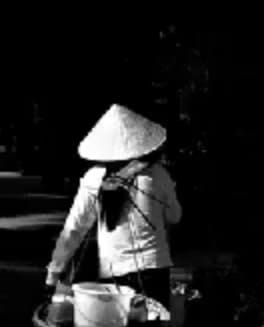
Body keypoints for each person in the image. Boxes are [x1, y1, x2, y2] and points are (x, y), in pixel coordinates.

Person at [44, 104, 182, 307]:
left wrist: (53, 273)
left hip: (113, 275)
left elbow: (74, 229)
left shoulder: (93, 178)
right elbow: (175, 216)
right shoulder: (158, 175)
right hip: (154, 271)